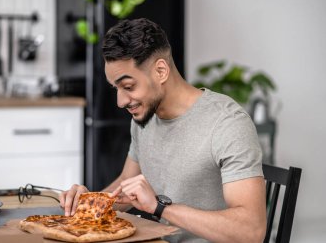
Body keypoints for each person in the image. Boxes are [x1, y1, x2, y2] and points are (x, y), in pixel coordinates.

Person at [60, 18, 266, 242]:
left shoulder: (227, 123)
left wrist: (160, 207)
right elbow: (126, 186)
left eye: (128, 86)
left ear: (160, 71)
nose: (120, 101)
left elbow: (251, 231)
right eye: (116, 88)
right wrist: (89, 201)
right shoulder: (144, 117)